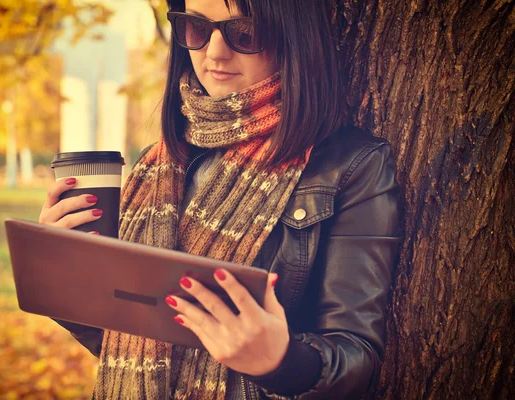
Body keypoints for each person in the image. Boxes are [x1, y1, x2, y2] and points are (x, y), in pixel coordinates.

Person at [38, 0, 402, 398]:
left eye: (244, 33)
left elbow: (356, 355)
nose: (214, 52)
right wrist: (67, 283)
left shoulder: (350, 165)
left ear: (293, 35)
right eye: (196, 28)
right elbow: (129, 343)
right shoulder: (158, 165)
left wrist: (279, 362)